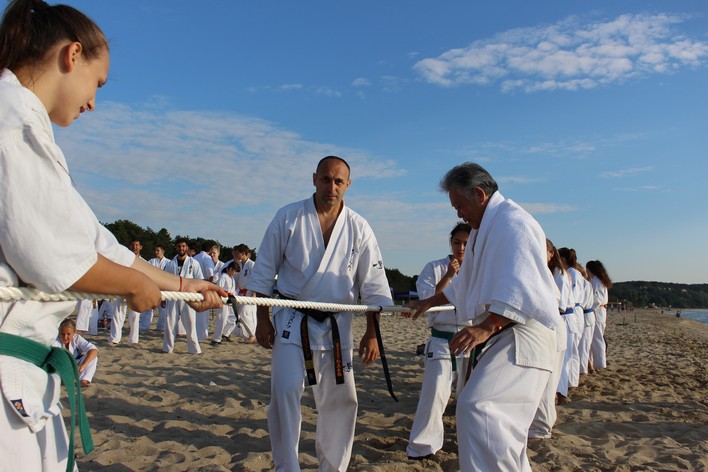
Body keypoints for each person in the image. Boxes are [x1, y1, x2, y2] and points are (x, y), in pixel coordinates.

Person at [0, 1, 223, 469]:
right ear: (72, 55)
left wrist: (183, 285)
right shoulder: (12, 121)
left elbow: (99, 243)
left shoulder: (25, 123)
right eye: (97, 83)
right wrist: (132, 285)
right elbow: (54, 259)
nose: (92, 103)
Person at [408, 163, 559, 472]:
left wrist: (488, 326)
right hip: (507, 334)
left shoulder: (513, 223)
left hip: (524, 334)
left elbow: (523, 284)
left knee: (480, 409)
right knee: (494, 424)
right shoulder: (484, 230)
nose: (459, 214)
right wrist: (430, 301)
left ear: (479, 194)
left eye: (459, 205)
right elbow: (466, 284)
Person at [248, 155, 393, 472]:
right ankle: (287, 466)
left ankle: (333, 468)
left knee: (340, 401)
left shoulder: (359, 227)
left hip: (336, 325)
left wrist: (372, 333)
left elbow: (373, 286)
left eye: (339, 181)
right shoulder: (288, 217)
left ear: (348, 185)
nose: (332, 186)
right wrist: (261, 320)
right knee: (285, 391)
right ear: (314, 178)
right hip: (291, 319)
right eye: (326, 179)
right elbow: (264, 272)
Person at [406, 222, 472, 460]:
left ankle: (470, 440)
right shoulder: (433, 267)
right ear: (450, 243)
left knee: (470, 397)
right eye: (456, 242)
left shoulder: (479, 268)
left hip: (471, 338)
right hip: (442, 338)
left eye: (466, 243)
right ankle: (422, 446)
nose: (461, 248)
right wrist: (448, 277)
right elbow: (426, 301)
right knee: (434, 394)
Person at [528, 240, 568, 439]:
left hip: (550, 327)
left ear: (551, 254)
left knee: (547, 382)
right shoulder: (545, 273)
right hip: (549, 327)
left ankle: (542, 427)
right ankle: (542, 423)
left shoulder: (548, 274)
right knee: (544, 380)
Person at [163, 238, 206, 354]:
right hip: (173, 295)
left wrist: (199, 295)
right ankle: (167, 348)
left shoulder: (193, 263)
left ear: (187, 248)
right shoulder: (170, 264)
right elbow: (165, 280)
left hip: (189, 296)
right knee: (170, 322)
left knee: (190, 323)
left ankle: (194, 349)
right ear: (176, 248)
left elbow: (200, 280)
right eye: (179, 246)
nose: (181, 248)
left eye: (183, 246)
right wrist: (164, 297)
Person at [53, 319, 98, 388]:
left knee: (93, 358)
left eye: (68, 334)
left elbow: (94, 350)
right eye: (62, 334)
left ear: (74, 332)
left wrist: (82, 366)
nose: (65, 337)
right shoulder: (55, 341)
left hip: (74, 367)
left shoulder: (76, 338)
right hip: (60, 369)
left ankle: (83, 380)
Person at [586, 260, 612, 371]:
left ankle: (600, 363)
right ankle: (596, 362)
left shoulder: (596, 281)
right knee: (596, 338)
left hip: (597, 311)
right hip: (600, 311)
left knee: (597, 338)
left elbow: (596, 299)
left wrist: (588, 308)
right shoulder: (599, 281)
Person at [233, 243, 257, 344]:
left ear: (243, 253)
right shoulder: (239, 265)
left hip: (250, 291)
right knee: (238, 314)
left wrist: (254, 293)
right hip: (240, 292)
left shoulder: (251, 264)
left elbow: (256, 279)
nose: (236, 255)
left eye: (237, 253)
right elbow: (237, 279)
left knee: (245, 313)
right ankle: (247, 335)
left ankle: (252, 334)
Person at [192, 241, 215, 340]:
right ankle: (202, 335)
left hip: (193, 285)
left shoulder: (195, 257)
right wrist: (210, 285)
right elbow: (210, 275)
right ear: (210, 250)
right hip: (204, 286)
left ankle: (195, 333)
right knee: (203, 312)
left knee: (195, 311)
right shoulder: (207, 258)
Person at [148, 245, 170, 331]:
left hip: (164, 288)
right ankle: (144, 327)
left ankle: (161, 328)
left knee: (163, 310)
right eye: (155, 250)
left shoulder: (169, 262)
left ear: (163, 251)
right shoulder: (151, 261)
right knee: (149, 308)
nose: (156, 252)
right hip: (152, 287)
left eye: (158, 250)